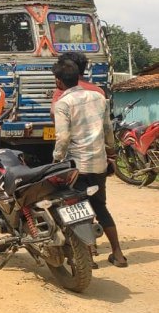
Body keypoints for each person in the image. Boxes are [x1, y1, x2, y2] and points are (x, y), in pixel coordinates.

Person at [52, 59, 127, 268]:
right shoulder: (98, 97)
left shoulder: (63, 104)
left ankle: (89, 257)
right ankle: (118, 254)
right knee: (100, 207)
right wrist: (110, 153)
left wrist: (57, 159)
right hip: (98, 163)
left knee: (77, 209)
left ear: (58, 81)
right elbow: (108, 130)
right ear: (78, 77)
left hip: (75, 167)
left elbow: (63, 137)